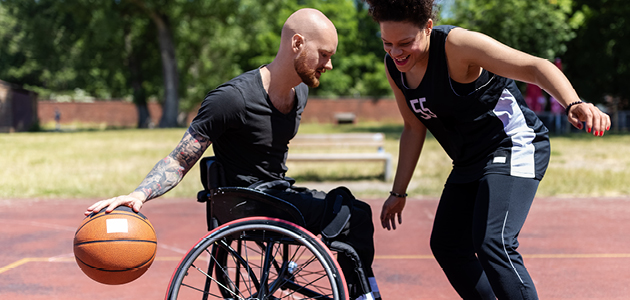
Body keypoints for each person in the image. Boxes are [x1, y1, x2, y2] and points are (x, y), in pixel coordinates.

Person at [85, 8, 380, 300]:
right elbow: (179, 159)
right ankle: (364, 296)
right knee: (352, 216)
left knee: (358, 211)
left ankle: (362, 292)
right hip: (249, 203)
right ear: (297, 43)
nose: (329, 65)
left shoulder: (300, 91)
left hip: (278, 194)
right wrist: (138, 195)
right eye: (325, 54)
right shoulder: (232, 99)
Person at [362, 0, 610, 299]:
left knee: (494, 242)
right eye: (387, 43)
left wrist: (573, 102)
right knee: (448, 246)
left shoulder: (457, 45)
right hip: (469, 160)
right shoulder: (395, 67)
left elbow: (535, 67)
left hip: (514, 143)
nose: (395, 52)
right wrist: (398, 192)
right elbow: (414, 127)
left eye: (405, 42)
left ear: (428, 28)